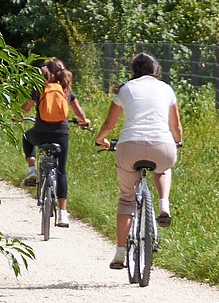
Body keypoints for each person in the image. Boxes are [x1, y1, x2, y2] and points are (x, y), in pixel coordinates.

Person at [94, 52, 183, 270]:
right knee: (164, 168)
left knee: (127, 200)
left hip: (129, 146)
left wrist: (101, 139)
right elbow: (176, 127)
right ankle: (164, 204)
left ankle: (120, 253)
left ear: (133, 69)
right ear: (157, 70)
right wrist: (178, 142)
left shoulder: (125, 89)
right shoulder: (167, 89)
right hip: (162, 145)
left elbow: (109, 124)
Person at [20, 58, 90, 228]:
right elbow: (78, 112)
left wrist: (17, 116)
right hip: (61, 135)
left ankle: (32, 170)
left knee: (26, 137)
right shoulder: (66, 90)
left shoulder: (39, 88)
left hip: (40, 134)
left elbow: (26, 108)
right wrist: (84, 121)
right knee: (61, 171)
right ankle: (63, 214)